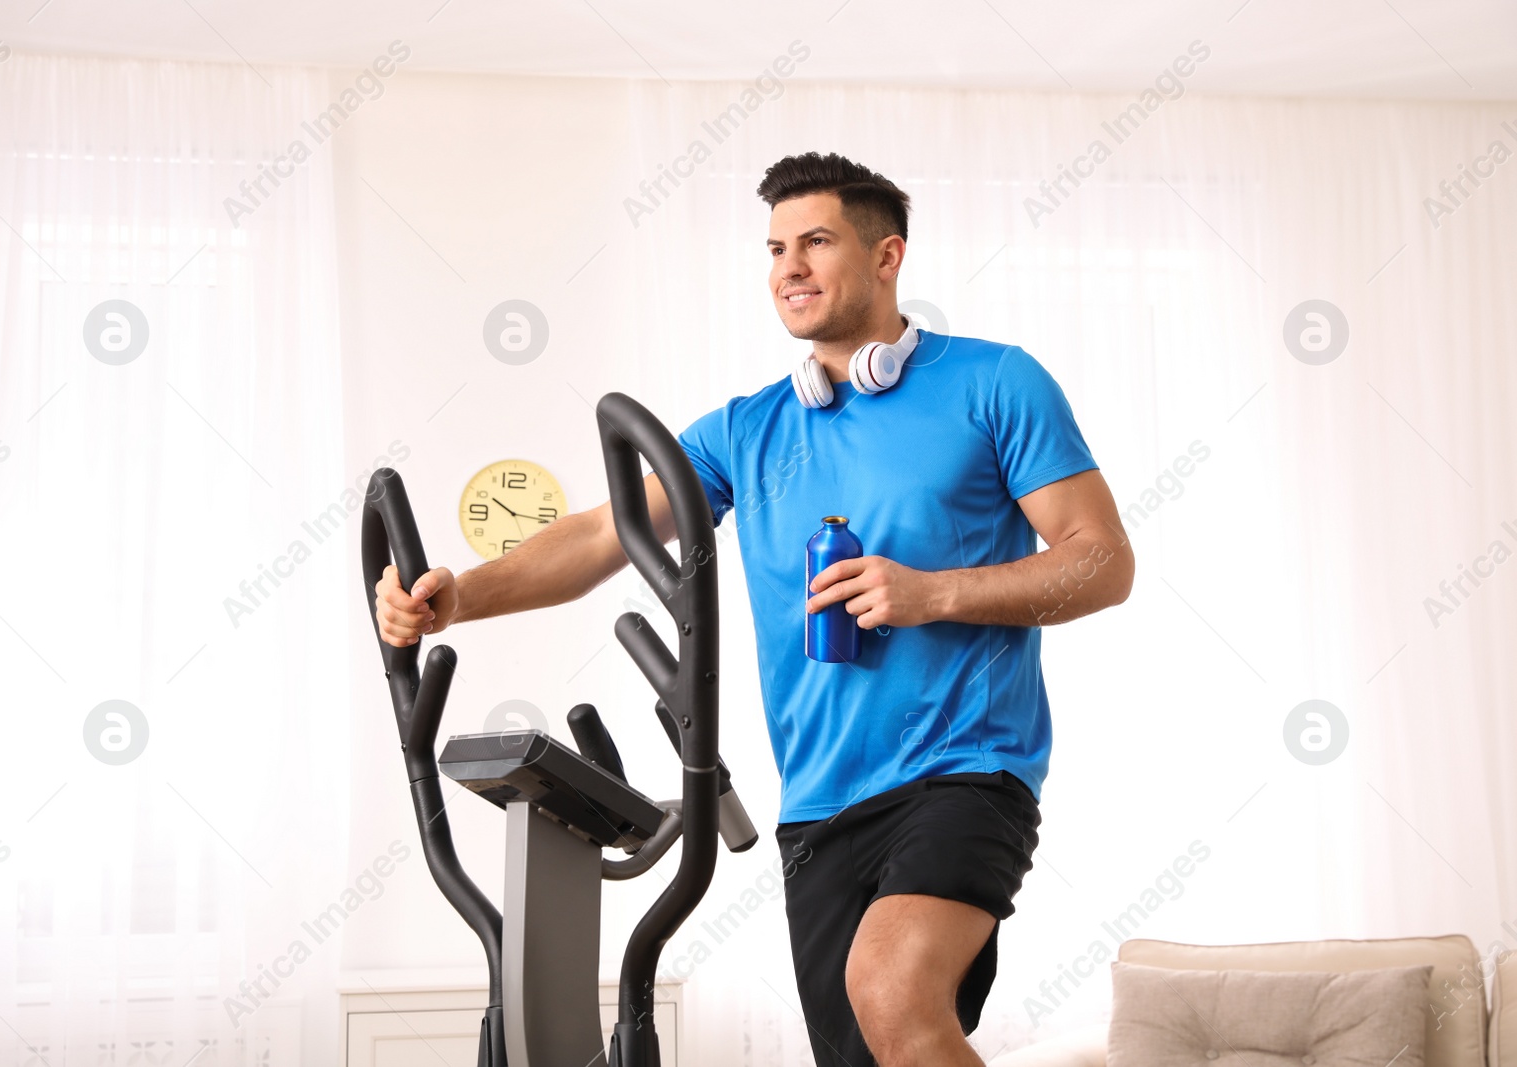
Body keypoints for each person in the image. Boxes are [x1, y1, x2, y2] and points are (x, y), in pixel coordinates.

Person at [375, 151, 1134, 1067]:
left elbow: (1101, 563)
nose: (789, 267)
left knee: (892, 991)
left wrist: (934, 593)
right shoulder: (748, 429)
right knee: (864, 1049)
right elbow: (595, 537)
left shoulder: (996, 385)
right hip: (817, 801)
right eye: (775, 247)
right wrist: (461, 594)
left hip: (966, 767)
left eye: (816, 241)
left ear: (888, 256)